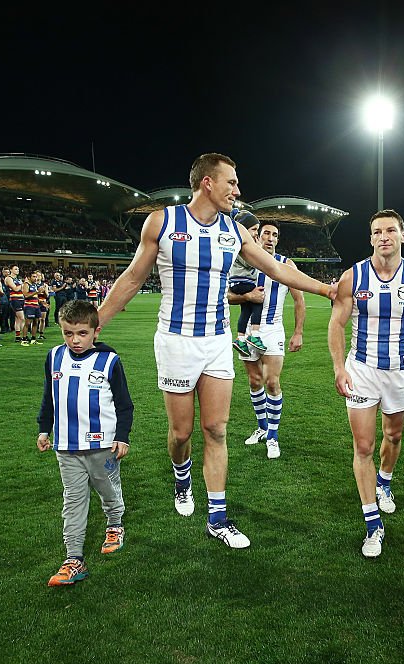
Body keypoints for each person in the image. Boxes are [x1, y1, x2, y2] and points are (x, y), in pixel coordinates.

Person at [95, 152, 334, 549]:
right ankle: (182, 476)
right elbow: (134, 277)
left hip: (218, 342)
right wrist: (96, 322)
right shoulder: (163, 221)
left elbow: (276, 269)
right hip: (175, 342)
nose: (237, 191)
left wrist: (326, 288)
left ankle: (218, 517)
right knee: (181, 432)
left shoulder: (236, 232)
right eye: (231, 182)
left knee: (216, 429)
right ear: (207, 182)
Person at [329, 209, 404, 557]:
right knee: (363, 447)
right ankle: (373, 524)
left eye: (391, 230)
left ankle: (385, 483)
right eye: (377, 232)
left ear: (403, 235)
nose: (383, 236)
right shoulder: (353, 277)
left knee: (394, 435)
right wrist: (339, 369)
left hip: (399, 372)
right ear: (370, 238)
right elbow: (336, 324)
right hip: (361, 370)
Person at [37, 300, 133, 587]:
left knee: (108, 490)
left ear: (95, 331)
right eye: (68, 333)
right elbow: (48, 397)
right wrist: (44, 429)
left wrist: (122, 437)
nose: (75, 340)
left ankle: (115, 525)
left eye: (81, 333)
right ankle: (73, 559)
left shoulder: (109, 361)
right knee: (73, 500)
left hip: (102, 445)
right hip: (66, 446)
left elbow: (124, 405)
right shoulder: (54, 357)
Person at [231, 218, 306, 460]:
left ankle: (272, 436)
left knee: (271, 382)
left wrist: (298, 332)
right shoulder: (246, 262)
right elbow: (228, 296)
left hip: (273, 331)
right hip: (248, 331)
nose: (270, 238)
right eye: (266, 233)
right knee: (254, 381)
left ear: (278, 239)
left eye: (274, 235)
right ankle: (262, 428)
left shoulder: (286, 264)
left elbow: (298, 299)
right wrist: (248, 297)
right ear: (258, 236)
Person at [227, 211, 268, 360]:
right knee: (258, 301)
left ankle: (241, 339)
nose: (256, 233)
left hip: (238, 282)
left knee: (246, 310)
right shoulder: (241, 245)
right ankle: (255, 335)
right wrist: (257, 248)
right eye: (254, 229)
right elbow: (250, 262)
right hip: (243, 282)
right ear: (244, 228)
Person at [5, 265, 26, 343]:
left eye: (18, 269)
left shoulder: (18, 279)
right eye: (16, 269)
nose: (18, 270)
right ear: (11, 270)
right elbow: (16, 289)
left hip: (21, 299)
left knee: (18, 319)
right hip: (15, 299)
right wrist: (23, 284)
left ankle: (18, 336)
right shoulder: (9, 278)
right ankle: (24, 336)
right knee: (22, 318)